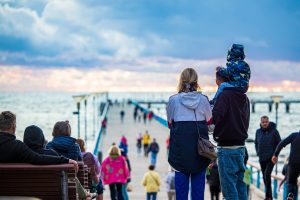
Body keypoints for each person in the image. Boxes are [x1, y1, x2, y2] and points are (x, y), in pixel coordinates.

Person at [167, 68, 212, 200]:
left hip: (180, 153)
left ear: (181, 81)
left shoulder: (173, 100)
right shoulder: (204, 100)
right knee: (198, 194)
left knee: (181, 194)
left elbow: (170, 124)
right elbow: (210, 122)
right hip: (200, 152)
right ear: (196, 82)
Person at [212, 65, 250, 199]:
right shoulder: (244, 97)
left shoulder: (224, 96)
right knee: (241, 187)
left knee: (229, 191)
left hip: (226, 148)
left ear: (218, 80)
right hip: (241, 148)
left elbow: (214, 118)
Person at [0, 111, 78, 168]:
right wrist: (66, 160)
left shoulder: (19, 146)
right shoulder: (18, 146)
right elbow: (38, 158)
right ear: (14, 127)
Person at [255, 116, 281, 200]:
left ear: (268, 122)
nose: (265, 123)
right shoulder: (258, 132)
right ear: (261, 122)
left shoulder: (274, 131)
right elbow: (256, 143)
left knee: (267, 174)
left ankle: (267, 196)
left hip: (271, 158)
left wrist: (276, 155)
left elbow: (280, 143)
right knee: (264, 176)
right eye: (263, 122)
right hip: (262, 158)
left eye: (266, 122)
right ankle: (270, 196)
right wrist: (257, 152)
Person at [272, 131, 300, 200]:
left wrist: (275, 154)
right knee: (293, 182)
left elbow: (281, 143)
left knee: (290, 182)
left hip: (293, 163)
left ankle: (290, 195)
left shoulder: (294, 135)